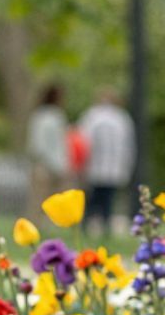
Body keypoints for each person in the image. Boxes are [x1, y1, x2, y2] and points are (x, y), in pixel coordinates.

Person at [78, 89, 135, 234]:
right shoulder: (121, 118)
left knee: (92, 200)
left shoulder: (92, 116)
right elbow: (129, 145)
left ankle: (87, 228)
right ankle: (104, 228)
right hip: (111, 168)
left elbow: (82, 141)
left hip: (95, 167)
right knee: (106, 200)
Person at [26, 83, 71, 203]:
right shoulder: (51, 117)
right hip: (46, 165)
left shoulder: (42, 115)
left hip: (51, 164)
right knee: (40, 200)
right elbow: (41, 144)